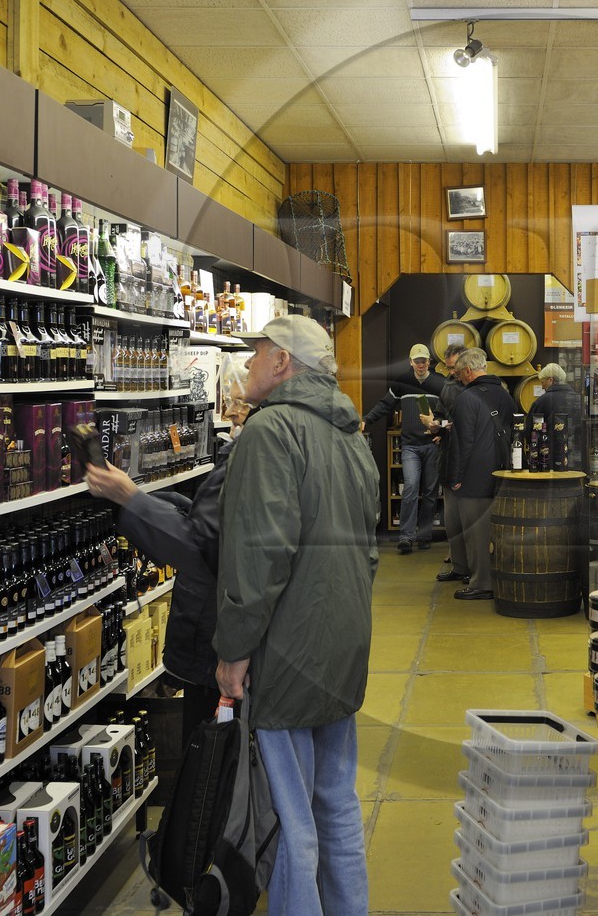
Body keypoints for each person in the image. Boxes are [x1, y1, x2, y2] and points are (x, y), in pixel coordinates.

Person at [214, 315, 379, 916]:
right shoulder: (350, 434)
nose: (248, 363)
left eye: (258, 352)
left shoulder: (270, 432)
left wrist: (234, 651)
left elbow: (258, 556)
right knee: (336, 801)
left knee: (288, 816)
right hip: (343, 643)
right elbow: (369, 548)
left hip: (286, 650)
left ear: (283, 361)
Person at [84, 393, 249, 750]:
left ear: (281, 367)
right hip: (229, 640)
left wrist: (131, 499)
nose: (249, 367)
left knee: (213, 759)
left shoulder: (259, 446)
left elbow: (203, 548)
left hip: (217, 640)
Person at [361, 343, 446, 553]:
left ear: (429, 362)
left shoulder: (440, 383)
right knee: (410, 489)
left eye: (423, 361)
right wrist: (366, 419)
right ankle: (406, 536)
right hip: (410, 446)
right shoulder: (402, 382)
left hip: (433, 445)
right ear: (410, 362)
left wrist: (442, 431)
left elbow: (449, 411)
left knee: (430, 492)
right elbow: (384, 404)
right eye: (417, 361)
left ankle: (424, 535)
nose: (420, 365)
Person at [446, 347, 516, 602]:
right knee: (496, 532)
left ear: (467, 371)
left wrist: (455, 477)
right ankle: (496, 578)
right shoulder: (505, 395)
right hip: (502, 470)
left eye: (458, 374)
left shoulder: (467, 398)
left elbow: (463, 442)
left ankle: (482, 583)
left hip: (475, 475)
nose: (458, 379)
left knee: (476, 533)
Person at [421, 343, 469, 582]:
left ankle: (475, 569)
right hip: (450, 457)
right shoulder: (448, 386)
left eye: (454, 367)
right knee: (453, 519)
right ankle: (459, 566)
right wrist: (436, 427)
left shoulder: (478, 388)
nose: (451, 372)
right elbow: (440, 415)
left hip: (472, 461)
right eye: (449, 368)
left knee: (472, 519)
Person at [531, 362, 583, 469]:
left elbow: (533, 431)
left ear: (551, 380)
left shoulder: (542, 401)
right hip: (575, 456)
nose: (542, 386)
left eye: (543, 382)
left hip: (549, 458)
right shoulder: (578, 399)